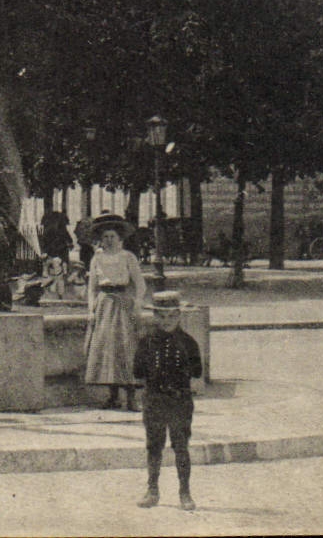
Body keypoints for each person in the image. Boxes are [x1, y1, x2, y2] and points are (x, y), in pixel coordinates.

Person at [133, 290, 203, 510]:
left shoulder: (188, 343)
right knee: (154, 445)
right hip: (154, 400)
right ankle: (152, 490)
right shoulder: (146, 342)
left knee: (181, 446)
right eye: (161, 316)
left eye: (172, 316)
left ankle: (185, 493)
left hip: (179, 401)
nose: (166, 321)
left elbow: (197, 371)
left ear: (179, 315)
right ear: (154, 316)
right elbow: (137, 371)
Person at [84, 213, 146, 410]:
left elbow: (140, 284)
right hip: (104, 304)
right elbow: (92, 288)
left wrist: (137, 305)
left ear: (120, 238)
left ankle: (131, 397)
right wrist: (91, 310)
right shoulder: (97, 259)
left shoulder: (128, 257)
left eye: (112, 236)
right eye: (105, 237)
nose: (109, 240)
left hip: (123, 303)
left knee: (126, 347)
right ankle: (113, 396)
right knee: (107, 349)